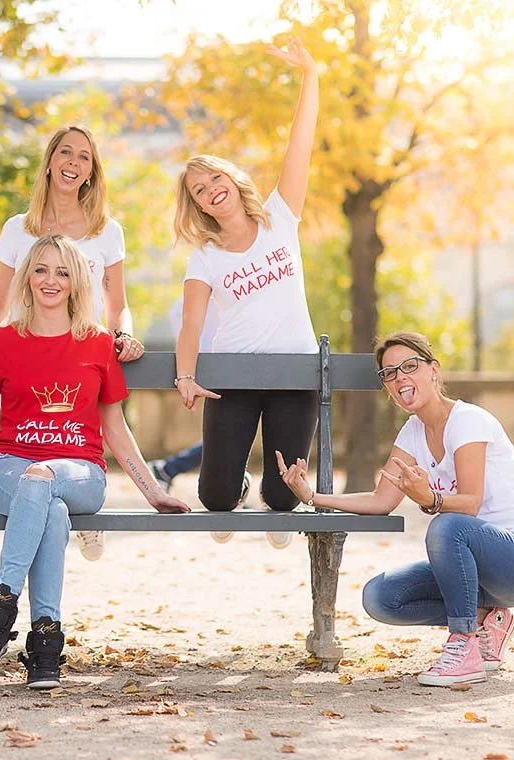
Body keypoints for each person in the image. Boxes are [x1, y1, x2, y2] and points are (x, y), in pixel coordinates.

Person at [0, 235, 189, 690]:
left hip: (81, 473)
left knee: (45, 478)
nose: (51, 280)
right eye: (42, 269)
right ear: (27, 277)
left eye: (63, 271)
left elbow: (116, 430)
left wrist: (155, 492)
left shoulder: (97, 344)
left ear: (76, 282)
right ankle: (45, 642)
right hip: (10, 471)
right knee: (46, 501)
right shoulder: (0, 343)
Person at [277, 331, 514, 687]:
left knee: (447, 526)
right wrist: (313, 496)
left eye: (410, 366)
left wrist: (430, 499)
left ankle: (464, 644)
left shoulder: (468, 420)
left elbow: (469, 502)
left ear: (434, 371)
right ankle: (489, 619)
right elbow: (382, 500)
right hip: (478, 572)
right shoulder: (412, 433)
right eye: (389, 374)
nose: (399, 378)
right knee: (381, 597)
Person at [0, 125, 144, 562]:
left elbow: (118, 305)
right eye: (65, 152)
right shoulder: (17, 229)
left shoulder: (106, 231)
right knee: (39, 475)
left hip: (84, 355)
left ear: (91, 171)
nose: (73, 163)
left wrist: (124, 336)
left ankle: (77, 498)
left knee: (80, 438)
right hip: (32, 355)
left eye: (84, 157)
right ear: (50, 162)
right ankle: (66, 511)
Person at [173, 37, 320, 550]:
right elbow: (191, 324)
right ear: (199, 206)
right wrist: (187, 375)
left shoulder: (281, 218)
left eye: (215, 177)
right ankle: (234, 486)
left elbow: (299, 144)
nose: (210, 188)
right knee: (214, 498)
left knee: (284, 499)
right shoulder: (206, 256)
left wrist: (310, 76)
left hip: (293, 372)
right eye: (198, 189)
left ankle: (270, 493)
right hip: (232, 374)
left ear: (233, 181)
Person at [148, 300, 252, 533]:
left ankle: (169, 469)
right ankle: (230, 484)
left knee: (228, 434)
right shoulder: (188, 304)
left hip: (228, 369)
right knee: (227, 433)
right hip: (215, 371)